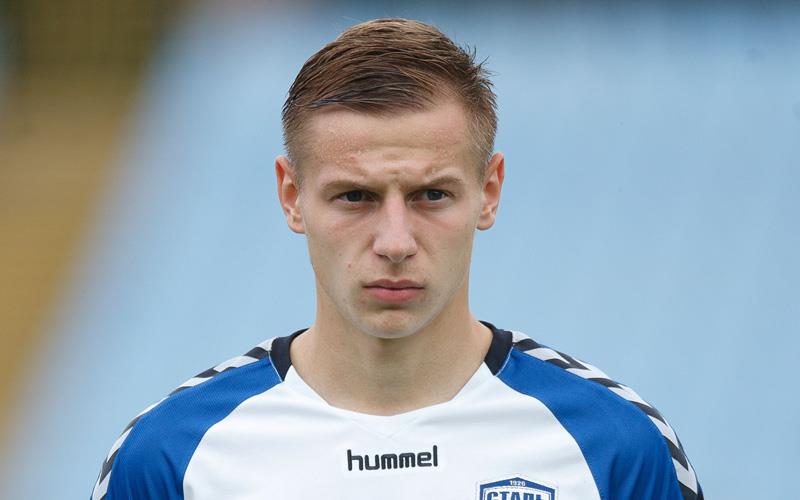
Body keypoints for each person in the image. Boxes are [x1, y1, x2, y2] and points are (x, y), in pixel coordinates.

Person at [91, 18, 702, 500]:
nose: (394, 241)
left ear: (489, 191)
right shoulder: (173, 456)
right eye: (354, 197)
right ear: (292, 196)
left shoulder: (615, 445)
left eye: (430, 195)